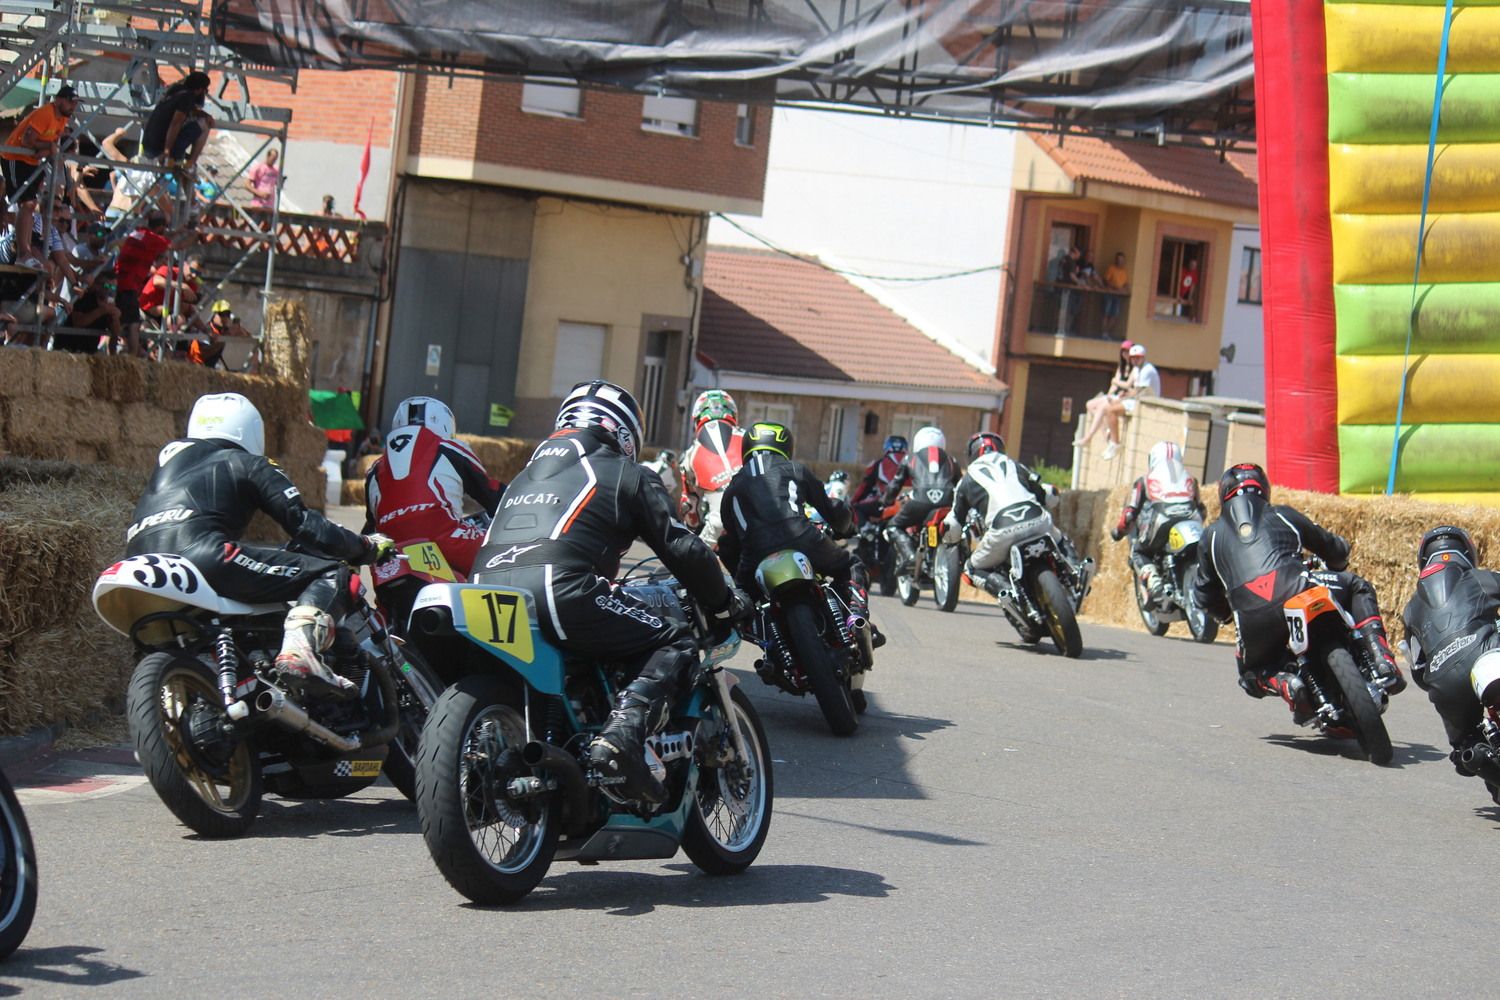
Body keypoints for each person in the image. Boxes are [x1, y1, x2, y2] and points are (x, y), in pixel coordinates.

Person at [473, 380, 749, 804]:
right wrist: (725, 602)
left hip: (483, 589)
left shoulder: (523, 475)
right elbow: (680, 546)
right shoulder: (626, 471)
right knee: (674, 637)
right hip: (561, 588)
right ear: (624, 433)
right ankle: (622, 738)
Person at [125, 392, 394, 696]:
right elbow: (305, 525)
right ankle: (300, 651)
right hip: (203, 557)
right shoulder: (248, 462)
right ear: (251, 430)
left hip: (138, 561)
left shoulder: (167, 462)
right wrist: (364, 546)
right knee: (334, 574)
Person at [1192, 463, 1405, 719]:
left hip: (1251, 618)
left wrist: (1227, 615)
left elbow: (1204, 594)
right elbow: (1331, 547)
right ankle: (1381, 657)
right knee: (1357, 586)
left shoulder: (1210, 537)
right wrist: (1340, 555)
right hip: (1297, 589)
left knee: (1250, 675)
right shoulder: (1283, 515)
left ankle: (1284, 683)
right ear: (1265, 489)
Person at [717, 421, 879, 646]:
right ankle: (856, 616)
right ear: (785, 446)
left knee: (742, 604)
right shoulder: (795, 469)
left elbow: (729, 540)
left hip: (755, 555)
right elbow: (830, 509)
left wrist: (739, 575)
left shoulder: (733, 487)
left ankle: (767, 642)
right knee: (851, 565)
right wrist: (846, 527)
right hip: (803, 537)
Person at [1400, 526, 1500, 801]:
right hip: (1486, 653)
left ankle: (1475, 755)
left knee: (1465, 747)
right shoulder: (1480, 578)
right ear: (1468, 553)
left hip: (1444, 686)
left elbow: (1418, 672)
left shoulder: (1410, 609)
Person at [363, 396, 504, 577]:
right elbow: (491, 494)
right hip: (444, 539)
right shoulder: (449, 447)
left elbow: (371, 525)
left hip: (393, 553)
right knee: (501, 558)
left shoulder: (375, 469)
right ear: (444, 423)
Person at [944, 432, 1057, 597]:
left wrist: (948, 539)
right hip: (1037, 520)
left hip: (1002, 531)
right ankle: (1075, 571)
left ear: (971, 455)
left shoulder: (966, 481)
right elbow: (1047, 496)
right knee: (1059, 539)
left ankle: (1008, 592)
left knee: (971, 569)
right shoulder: (1015, 465)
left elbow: (953, 525)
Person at [1110, 441, 1203, 605]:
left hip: (1163, 519)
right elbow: (1201, 509)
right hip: (1192, 518)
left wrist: (1119, 531)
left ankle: (1154, 581)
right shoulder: (1191, 479)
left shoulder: (1145, 480)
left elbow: (1131, 512)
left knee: (1138, 552)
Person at [2, 86, 79, 267]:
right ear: (59, 100)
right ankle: (23, 252)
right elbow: (27, 140)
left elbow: (41, 150)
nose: (73, 107)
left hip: (31, 161)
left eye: (75, 103)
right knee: (26, 204)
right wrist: (49, 148)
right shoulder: (46, 113)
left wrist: (49, 149)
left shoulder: (62, 119)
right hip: (15, 158)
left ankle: (25, 252)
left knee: (29, 205)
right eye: (70, 102)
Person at [114, 211, 194, 356]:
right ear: (161, 226)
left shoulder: (139, 233)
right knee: (133, 323)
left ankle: (114, 351)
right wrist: (197, 234)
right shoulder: (152, 239)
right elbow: (179, 246)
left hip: (119, 281)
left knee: (118, 319)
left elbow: (160, 238)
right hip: (130, 285)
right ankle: (132, 355)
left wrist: (179, 231)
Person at [882, 425, 959, 573]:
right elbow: (960, 486)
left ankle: (910, 556)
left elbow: (895, 484)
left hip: (919, 502)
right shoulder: (952, 460)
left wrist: (886, 501)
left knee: (893, 527)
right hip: (947, 503)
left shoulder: (909, 458)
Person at [677, 388, 744, 546]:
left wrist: (693, 527)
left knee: (689, 563)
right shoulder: (748, 436)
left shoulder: (690, 455)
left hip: (719, 525)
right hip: (765, 515)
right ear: (733, 414)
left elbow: (689, 506)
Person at [1097, 342, 1161, 460]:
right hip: (1139, 399)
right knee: (1108, 407)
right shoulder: (1137, 369)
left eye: (1138, 358)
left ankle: (1115, 444)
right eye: (1133, 358)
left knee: (1111, 410)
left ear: (1143, 357)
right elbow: (1136, 391)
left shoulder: (1147, 370)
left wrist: (1125, 395)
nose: (1135, 361)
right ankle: (1111, 439)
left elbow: (1141, 392)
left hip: (1146, 402)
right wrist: (1125, 394)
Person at [141, 71, 212, 168]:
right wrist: (167, 152)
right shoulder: (188, 97)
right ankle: (190, 165)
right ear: (200, 90)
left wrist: (204, 114)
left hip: (148, 145)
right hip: (160, 149)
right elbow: (175, 123)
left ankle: (185, 162)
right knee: (204, 125)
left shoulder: (176, 90)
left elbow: (191, 110)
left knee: (202, 120)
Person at [1075, 340, 1136, 449]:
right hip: (1115, 395)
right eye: (1124, 351)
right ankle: (1105, 431)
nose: (1125, 354)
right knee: (1090, 404)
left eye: (1128, 351)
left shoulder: (1135, 368)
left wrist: (1114, 381)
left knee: (1102, 408)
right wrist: (1109, 394)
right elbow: (1114, 386)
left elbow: (1126, 385)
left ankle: (1088, 437)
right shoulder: (1121, 367)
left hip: (1123, 397)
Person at [850, 434, 909, 524]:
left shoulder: (879, 464)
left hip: (888, 503)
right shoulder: (914, 463)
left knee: (858, 508)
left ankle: (867, 531)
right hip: (911, 503)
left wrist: (853, 502)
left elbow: (865, 486)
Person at [1055, 245, 1082, 336]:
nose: (1079, 256)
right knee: (1067, 309)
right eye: (1078, 253)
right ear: (1074, 252)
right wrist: (1080, 283)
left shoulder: (1063, 259)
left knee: (1062, 308)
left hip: (1058, 286)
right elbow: (1072, 276)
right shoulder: (1071, 262)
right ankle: (1063, 330)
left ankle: (1060, 329)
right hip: (1067, 288)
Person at [1102, 252, 1129, 335]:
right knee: (1106, 313)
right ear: (1116, 260)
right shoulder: (1111, 268)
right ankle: (1103, 332)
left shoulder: (1124, 271)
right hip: (1110, 294)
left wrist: (1125, 289)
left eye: (1122, 260)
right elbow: (1106, 280)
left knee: (1114, 315)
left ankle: (1106, 332)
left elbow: (1126, 283)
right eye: (1118, 260)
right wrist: (1115, 287)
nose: (1120, 262)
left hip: (1118, 296)